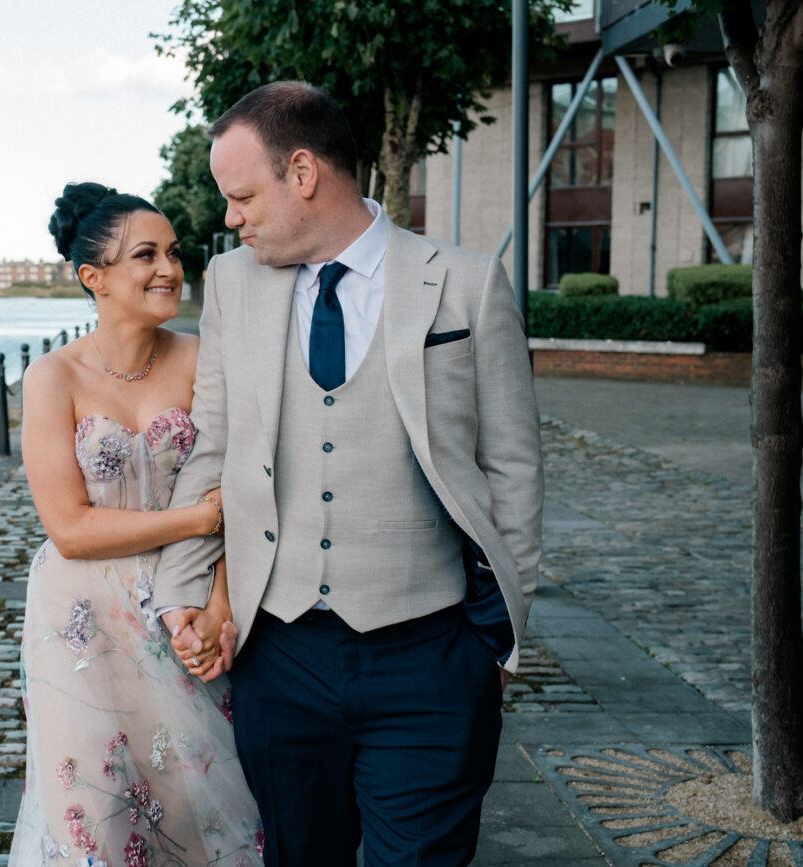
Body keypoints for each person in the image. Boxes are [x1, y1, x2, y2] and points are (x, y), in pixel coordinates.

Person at [156, 82, 544, 865]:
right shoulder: (232, 283)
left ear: (303, 173)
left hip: (432, 655)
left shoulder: (466, 284)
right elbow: (215, 444)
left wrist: (498, 645)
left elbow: (513, 467)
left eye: (241, 195)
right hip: (281, 657)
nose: (231, 217)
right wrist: (181, 593)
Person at [8, 182, 262, 867]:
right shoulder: (52, 377)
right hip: (82, 617)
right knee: (100, 803)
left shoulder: (201, 359)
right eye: (145, 255)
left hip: (185, 602)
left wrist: (220, 607)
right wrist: (197, 515)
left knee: (198, 796)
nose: (170, 269)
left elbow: (239, 496)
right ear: (94, 277)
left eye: (174, 252)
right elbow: (69, 528)